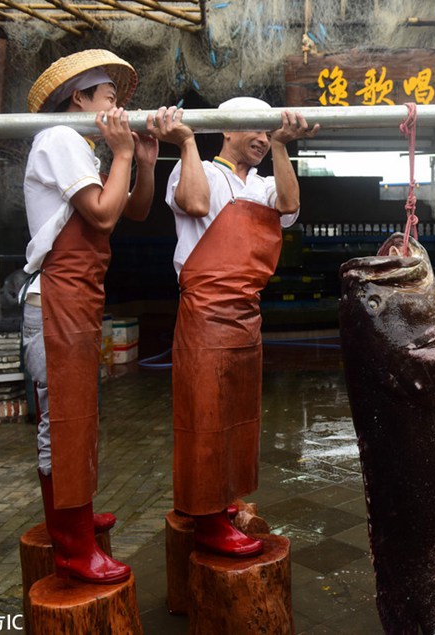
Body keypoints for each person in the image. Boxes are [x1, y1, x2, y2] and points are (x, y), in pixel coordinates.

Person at [150, 97, 318, 556]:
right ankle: (205, 520)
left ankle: (224, 500)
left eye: (268, 132)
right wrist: (184, 140)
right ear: (226, 131)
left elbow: (288, 206)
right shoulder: (196, 168)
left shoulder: (263, 184)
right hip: (205, 312)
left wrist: (284, 147)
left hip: (247, 313)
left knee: (239, 415)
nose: (262, 140)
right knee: (204, 414)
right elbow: (195, 200)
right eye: (254, 131)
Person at [20, 49, 158, 582]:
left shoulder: (81, 150)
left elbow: (136, 211)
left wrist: (140, 160)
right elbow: (102, 213)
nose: (117, 109)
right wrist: (122, 153)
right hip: (54, 297)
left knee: (78, 415)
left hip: (77, 298)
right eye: (107, 98)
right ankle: (73, 547)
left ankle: (74, 511)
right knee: (64, 421)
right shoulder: (58, 139)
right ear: (78, 98)